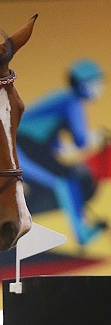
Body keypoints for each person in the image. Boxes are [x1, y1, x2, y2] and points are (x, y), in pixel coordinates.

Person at [16, 58, 107, 246]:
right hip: (21, 147)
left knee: (68, 177)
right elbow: (81, 142)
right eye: (97, 83)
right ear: (85, 85)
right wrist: (98, 137)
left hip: (28, 146)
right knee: (64, 182)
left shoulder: (64, 99)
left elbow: (53, 143)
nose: (101, 88)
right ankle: (81, 234)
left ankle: (82, 231)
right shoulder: (72, 102)